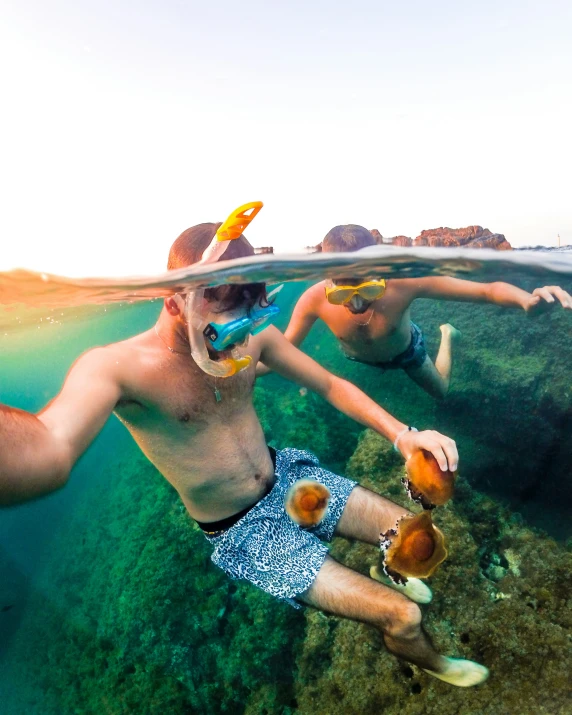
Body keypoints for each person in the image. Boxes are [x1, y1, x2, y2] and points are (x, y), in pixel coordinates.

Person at [0, 205, 488, 687]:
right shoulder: (116, 367)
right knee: (401, 617)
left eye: (250, 317)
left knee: (412, 534)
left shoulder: (255, 337)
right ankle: (439, 667)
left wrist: (403, 434)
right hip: (243, 531)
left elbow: (330, 385)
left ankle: (391, 566)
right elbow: (51, 449)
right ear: (176, 301)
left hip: (289, 479)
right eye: (227, 326)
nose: (240, 343)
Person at [262, 224, 572, 399]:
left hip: (406, 352)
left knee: (441, 391)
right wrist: (243, 367)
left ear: (381, 269)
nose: (356, 304)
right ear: (327, 277)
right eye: (343, 291)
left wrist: (526, 301)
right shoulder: (313, 298)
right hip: (355, 356)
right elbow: (283, 348)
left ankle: (447, 335)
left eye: (368, 289)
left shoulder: (406, 282)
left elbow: (485, 290)